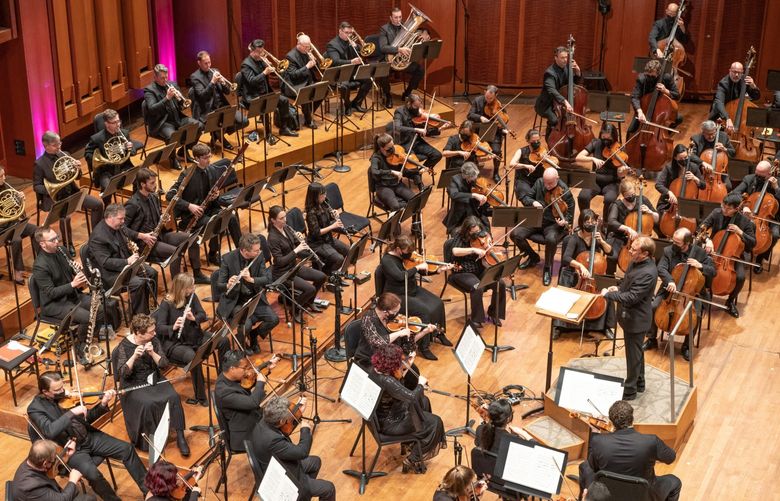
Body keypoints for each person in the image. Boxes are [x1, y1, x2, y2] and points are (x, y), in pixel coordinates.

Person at [27, 371, 147, 500]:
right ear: (45, 391)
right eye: (58, 390)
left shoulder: (66, 398)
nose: (63, 391)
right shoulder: (35, 409)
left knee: (127, 449)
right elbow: (49, 431)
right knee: (94, 475)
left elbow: (86, 418)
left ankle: (149, 491)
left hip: (89, 438)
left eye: (63, 387)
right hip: (71, 450)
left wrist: (103, 404)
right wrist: (71, 412)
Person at [32, 227, 120, 366]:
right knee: (87, 317)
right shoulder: (40, 266)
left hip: (72, 296)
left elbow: (69, 273)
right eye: (53, 240)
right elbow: (51, 293)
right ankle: (81, 348)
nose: (57, 241)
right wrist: (73, 284)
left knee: (101, 308)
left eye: (57, 237)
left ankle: (89, 339)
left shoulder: (62, 251)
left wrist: (77, 270)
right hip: (55, 304)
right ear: (42, 244)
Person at [111, 314, 189, 455]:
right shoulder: (123, 346)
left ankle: (180, 436)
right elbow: (123, 373)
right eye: (151, 331)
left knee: (174, 397)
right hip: (133, 383)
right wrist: (134, 357)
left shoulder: (153, 340)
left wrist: (152, 352)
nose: (154, 333)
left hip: (153, 377)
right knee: (148, 404)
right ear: (138, 333)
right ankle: (150, 442)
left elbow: (164, 364)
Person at [579, 400, 681, 501]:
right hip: (643, 495)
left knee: (585, 466)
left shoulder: (599, 441)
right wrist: (652, 453)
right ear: (632, 419)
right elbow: (671, 458)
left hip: (609, 494)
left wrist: (595, 432)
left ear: (611, 422)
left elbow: (593, 466)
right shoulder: (651, 441)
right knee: (675, 482)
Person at [369, 343, 445, 474]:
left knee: (424, 401)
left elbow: (398, 389)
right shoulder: (387, 381)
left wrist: (407, 367)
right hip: (391, 422)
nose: (401, 363)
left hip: (386, 414)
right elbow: (410, 397)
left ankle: (412, 442)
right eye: (399, 361)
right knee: (436, 422)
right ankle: (413, 458)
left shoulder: (376, 370)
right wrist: (420, 384)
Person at [643, 227, 714, 361]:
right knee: (653, 307)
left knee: (696, 315)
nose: (673, 244)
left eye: (677, 243)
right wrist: (670, 281)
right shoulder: (669, 250)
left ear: (687, 243)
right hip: (670, 291)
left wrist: (701, 266)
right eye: (673, 241)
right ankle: (652, 338)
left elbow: (713, 271)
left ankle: (686, 346)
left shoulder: (700, 253)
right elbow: (661, 268)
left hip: (692, 293)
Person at [125, 168, 208, 283]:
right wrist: (142, 236)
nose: (155, 186)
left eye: (155, 182)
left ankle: (197, 274)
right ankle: (177, 289)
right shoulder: (132, 204)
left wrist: (163, 218)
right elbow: (122, 228)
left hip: (160, 235)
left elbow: (156, 216)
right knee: (176, 253)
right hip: (145, 244)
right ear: (142, 184)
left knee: (193, 238)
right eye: (152, 183)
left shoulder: (153, 196)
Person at [601, 237, 658, 400]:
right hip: (629, 317)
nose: (629, 251)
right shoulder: (635, 262)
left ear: (645, 254)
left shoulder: (648, 273)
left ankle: (630, 389)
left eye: (634, 249)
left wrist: (610, 294)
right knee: (636, 352)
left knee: (632, 355)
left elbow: (632, 297)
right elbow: (628, 284)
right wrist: (617, 288)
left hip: (636, 320)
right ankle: (640, 383)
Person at [166, 143, 241, 267]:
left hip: (210, 208)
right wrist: (189, 206)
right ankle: (212, 254)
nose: (209, 160)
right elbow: (170, 196)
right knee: (217, 222)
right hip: (191, 216)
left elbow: (213, 191)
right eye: (205, 158)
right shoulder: (186, 175)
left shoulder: (211, 170)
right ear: (196, 158)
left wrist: (216, 195)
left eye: (209, 157)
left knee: (230, 217)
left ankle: (241, 251)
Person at [250, 395, 336, 501]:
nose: (290, 420)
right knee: (329, 488)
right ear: (281, 421)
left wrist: (297, 411)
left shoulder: (266, 418)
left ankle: (304, 496)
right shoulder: (273, 440)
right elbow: (302, 452)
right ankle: (302, 491)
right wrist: (305, 431)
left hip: (279, 463)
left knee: (315, 461)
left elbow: (286, 427)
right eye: (289, 419)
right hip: (285, 478)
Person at [380, 235, 452, 359]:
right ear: (398, 249)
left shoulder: (408, 255)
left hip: (412, 289)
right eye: (407, 252)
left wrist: (438, 270)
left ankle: (439, 333)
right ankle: (423, 347)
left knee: (438, 302)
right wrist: (417, 267)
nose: (409, 255)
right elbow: (400, 276)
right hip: (397, 295)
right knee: (424, 311)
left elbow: (420, 268)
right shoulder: (387, 260)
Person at [33, 131, 104, 256]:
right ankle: (68, 244)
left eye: (59, 143)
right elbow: (37, 186)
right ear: (46, 146)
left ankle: (97, 236)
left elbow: (77, 177)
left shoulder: (65, 155)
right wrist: (51, 189)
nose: (59, 146)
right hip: (55, 198)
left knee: (98, 204)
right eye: (55, 145)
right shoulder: (40, 164)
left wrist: (78, 169)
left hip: (72, 193)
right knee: (65, 216)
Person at [354, 292, 435, 389]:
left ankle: (411, 396)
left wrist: (424, 332)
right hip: (370, 359)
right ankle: (402, 397)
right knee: (396, 381)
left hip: (388, 357)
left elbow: (407, 343)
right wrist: (399, 333)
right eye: (395, 312)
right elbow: (377, 342)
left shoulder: (392, 319)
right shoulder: (368, 319)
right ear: (385, 311)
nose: (397, 315)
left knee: (413, 372)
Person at [87, 203, 157, 315]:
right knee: (138, 283)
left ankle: (147, 306)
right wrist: (127, 261)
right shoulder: (98, 237)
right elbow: (105, 262)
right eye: (121, 218)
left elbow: (127, 231)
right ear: (110, 217)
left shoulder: (118, 225)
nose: (123, 221)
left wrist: (142, 236)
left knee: (152, 272)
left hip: (124, 266)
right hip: (108, 274)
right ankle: (139, 316)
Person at [152, 273, 210, 406]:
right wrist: (173, 327)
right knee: (192, 357)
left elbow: (202, 314)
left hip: (193, 335)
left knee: (221, 340)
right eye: (191, 286)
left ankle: (224, 378)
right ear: (182, 289)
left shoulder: (191, 296)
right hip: (174, 343)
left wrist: (193, 318)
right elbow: (159, 328)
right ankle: (200, 397)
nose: (194, 288)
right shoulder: (166, 304)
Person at [510, 167, 575, 286]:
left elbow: (570, 216)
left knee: (551, 239)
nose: (547, 186)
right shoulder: (540, 182)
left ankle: (547, 267)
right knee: (515, 234)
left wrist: (564, 221)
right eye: (546, 182)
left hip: (553, 224)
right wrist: (533, 202)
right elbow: (526, 197)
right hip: (537, 220)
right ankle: (533, 257)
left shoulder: (566, 192)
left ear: (557, 179)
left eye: (550, 183)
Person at [556, 210, 616, 338]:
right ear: (581, 223)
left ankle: (605, 327)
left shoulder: (597, 235)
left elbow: (611, 253)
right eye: (587, 222)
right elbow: (566, 258)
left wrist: (602, 242)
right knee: (564, 284)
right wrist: (580, 265)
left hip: (594, 274)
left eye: (592, 222)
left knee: (606, 291)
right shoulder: (573, 238)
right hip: (575, 274)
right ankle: (560, 325)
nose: (590, 224)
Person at [216, 232, 279, 351]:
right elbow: (219, 285)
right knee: (246, 325)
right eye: (256, 250)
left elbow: (267, 279)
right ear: (245, 251)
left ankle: (253, 335)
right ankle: (242, 346)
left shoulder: (258, 256)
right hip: (236, 301)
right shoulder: (227, 259)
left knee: (273, 319)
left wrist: (250, 279)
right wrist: (228, 284)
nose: (259, 252)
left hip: (254, 298)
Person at [700, 193, 755, 318]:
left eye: (728, 208)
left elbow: (753, 242)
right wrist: (707, 240)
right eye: (723, 206)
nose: (724, 210)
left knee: (740, 277)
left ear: (736, 209)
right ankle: (703, 298)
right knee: (701, 269)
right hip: (714, 250)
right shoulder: (716, 213)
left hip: (733, 255)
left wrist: (740, 232)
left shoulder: (745, 221)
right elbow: (701, 228)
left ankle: (729, 302)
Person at [267, 205, 327, 317]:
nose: (285, 220)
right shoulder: (272, 238)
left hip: (294, 266)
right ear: (273, 220)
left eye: (285, 216)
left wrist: (301, 240)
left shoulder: (286, 228)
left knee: (321, 277)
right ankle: (294, 311)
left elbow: (297, 247)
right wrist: (296, 250)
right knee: (310, 289)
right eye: (281, 218)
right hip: (283, 273)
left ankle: (308, 302)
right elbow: (280, 261)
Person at [448, 216, 507, 328]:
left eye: (478, 231)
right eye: (473, 232)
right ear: (467, 231)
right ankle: (477, 319)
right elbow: (455, 251)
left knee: (500, 283)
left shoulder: (482, 235)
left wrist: (488, 249)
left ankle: (494, 313)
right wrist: (473, 249)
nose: (476, 235)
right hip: (462, 272)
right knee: (477, 287)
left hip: (479, 270)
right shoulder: (459, 235)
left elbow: (485, 261)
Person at [214, 349, 275, 452]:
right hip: (245, 435)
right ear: (232, 368)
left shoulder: (229, 376)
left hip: (250, 417)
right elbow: (253, 403)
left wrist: (266, 368)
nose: (247, 371)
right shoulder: (223, 391)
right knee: (277, 438)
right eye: (244, 368)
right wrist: (260, 383)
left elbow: (247, 384)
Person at [143, 63, 201, 170]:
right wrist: (167, 98)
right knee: (172, 136)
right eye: (162, 78)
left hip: (177, 117)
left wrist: (180, 101)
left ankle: (184, 151)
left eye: (166, 77)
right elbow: (152, 109)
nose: (165, 80)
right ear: (155, 77)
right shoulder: (149, 90)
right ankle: (172, 158)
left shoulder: (172, 84)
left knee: (199, 126)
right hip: (162, 122)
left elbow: (180, 106)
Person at [240, 39, 298, 143]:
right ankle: (268, 134)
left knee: (284, 101)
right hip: (253, 96)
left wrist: (271, 68)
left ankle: (284, 128)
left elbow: (269, 76)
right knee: (265, 107)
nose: (261, 54)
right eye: (258, 52)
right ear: (252, 51)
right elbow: (252, 81)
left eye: (262, 51)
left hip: (266, 92)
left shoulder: (261, 60)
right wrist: (264, 72)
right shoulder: (245, 65)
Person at [189, 50, 248, 149]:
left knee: (244, 121)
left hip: (223, 106)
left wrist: (223, 83)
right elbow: (203, 96)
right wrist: (212, 82)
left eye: (209, 62)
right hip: (208, 110)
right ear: (199, 63)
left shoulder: (215, 71)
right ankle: (220, 137)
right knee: (221, 121)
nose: (208, 65)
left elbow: (227, 92)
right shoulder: (195, 77)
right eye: (205, 63)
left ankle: (217, 136)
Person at [84, 108, 140, 204]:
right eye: (114, 122)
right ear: (106, 124)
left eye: (118, 121)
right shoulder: (97, 138)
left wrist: (130, 147)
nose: (118, 124)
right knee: (106, 187)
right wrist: (98, 160)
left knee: (140, 177)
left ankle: (134, 203)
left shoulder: (124, 133)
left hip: (123, 166)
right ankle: (108, 207)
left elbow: (133, 152)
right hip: (106, 170)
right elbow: (87, 154)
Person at [730, 159, 778, 272]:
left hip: (769, 218)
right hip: (748, 214)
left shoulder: (776, 183)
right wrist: (744, 206)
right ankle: (740, 253)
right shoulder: (749, 178)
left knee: (775, 235)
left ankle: (760, 258)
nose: (757, 178)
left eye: (760, 176)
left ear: (769, 174)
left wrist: (776, 188)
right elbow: (734, 193)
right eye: (756, 174)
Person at [11, 439, 96, 501]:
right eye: (53, 459)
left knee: (78, 493)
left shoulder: (32, 460)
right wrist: (72, 480)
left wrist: (66, 454)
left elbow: (54, 466)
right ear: (45, 463)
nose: (55, 460)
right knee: (89, 499)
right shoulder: (32, 487)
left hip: (45, 494)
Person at [391, 93, 443, 190]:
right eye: (415, 106)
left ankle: (419, 172)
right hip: (405, 143)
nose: (417, 109)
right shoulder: (399, 112)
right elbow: (397, 127)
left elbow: (424, 129)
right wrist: (415, 130)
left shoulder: (419, 113)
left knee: (437, 155)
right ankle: (420, 185)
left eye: (418, 106)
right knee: (413, 160)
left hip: (417, 141)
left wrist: (437, 130)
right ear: (409, 104)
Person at [606, 178, 659, 272]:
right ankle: (610, 278)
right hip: (620, 237)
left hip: (641, 238)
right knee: (612, 257)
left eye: (633, 194)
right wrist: (628, 229)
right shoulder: (617, 205)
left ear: (635, 190)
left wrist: (650, 212)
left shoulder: (643, 200)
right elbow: (611, 222)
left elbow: (657, 218)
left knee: (651, 258)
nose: (631, 197)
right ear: (623, 195)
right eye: (628, 196)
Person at [378, 6, 428, 106]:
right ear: (391, 18)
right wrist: (399, 49)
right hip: (389, 60)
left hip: (403, 61)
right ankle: (388, 96)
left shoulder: (406, 26)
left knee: (420, 70)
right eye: (396, 17)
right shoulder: (384, 29)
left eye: (400, 17)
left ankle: (407, 93)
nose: (398, 20)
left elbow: (419, 33)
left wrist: (424, 35)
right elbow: (383, 47)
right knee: (382, 72)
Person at [575, 123, 628, 215]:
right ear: (600, 135)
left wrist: (622, 172)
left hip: (612, 182)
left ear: (614, 137)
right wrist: (592, 158)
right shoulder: (596, 143)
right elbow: (578, 157)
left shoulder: (619, 149)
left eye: (609, 139)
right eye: (604, 138)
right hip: (594, 180)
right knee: (583, 196)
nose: (606, 141)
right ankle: (584, 219)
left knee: (609, 199)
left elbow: (620, 174)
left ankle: (606, 223)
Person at [0, 166, 38, 284]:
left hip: (14, 222)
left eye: (4, 174)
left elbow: (16, 208)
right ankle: (17, 270)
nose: (4, 178)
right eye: (1, 176)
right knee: (16, 240)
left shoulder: (6, 186)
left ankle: (41, 263)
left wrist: (19, 199)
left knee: (37, 230)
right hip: (2, 229)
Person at [325, 22, 372, 116]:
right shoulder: (332, 44)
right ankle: (347, 105)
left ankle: (356, 103)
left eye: (350, 33)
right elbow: (335, 61)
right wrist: (351, 62)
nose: (349, 35)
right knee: (344, 86)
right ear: (340, 31)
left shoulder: (352, 43)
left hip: (352, 71)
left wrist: (356, 47)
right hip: (340, 74)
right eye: (346, 32)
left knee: (369, 80)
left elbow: (363, 55)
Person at [534, 45, 581, 137]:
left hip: (560, 104)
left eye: (566, 57)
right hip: (546, 105)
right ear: (556, 58)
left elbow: (573, 85)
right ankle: (550, 141)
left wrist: (578, 72)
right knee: (555, 120)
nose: (565, 60)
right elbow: (552, 90)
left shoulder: (567, 69)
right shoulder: (550, 73)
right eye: (562, 58)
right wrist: (565, 101)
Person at [304, 182, 349, 275]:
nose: (324, 196)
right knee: (338, 259)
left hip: (327, 237)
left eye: (325, 193)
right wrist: (333, 226)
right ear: (314, 197)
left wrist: (334, 214)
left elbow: (327, 218)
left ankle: (337, 273)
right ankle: (327, 274)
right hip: (317, 243)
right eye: (322, 195)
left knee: (348, 250)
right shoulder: (311, 213)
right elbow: (316, 233)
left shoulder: (324, 203)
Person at [628, 59, 680, 135]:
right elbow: (634, 97)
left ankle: (664, 134)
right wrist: (639, 111)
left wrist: (665, 91)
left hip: (662, 110)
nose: (649, 77)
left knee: (678, 118)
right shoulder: (642, 79)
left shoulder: (666, 78)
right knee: (631, 130)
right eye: (647, 75)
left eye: (652, 76)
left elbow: (677, 95)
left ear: (658, 73)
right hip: (645, 110)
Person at [467, 85, 508, 181]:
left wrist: (501, 122)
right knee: (472, 148)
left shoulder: (498, 104)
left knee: (497, 151)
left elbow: (505, 119)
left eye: (491, 98)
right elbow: (469, 115)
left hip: (494, 133)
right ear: (485, 92)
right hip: (478, 132)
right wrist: (480, 117)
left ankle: (496, 173)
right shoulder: (477, 101)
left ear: (496, 95)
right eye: (487, 97)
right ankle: (473, 170)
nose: (489, 100)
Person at [654, 143, 706, 217]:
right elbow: (658, 184)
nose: (684, 160)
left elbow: (703, 186)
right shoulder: (669, 168)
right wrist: (669, 192)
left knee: (699, 219)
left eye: (685, 157)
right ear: (675, 158)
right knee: (661, 218)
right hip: (670, 202)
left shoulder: (694, 167)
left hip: (688, 202)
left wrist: (695, 179)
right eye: (681, 159)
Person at [370, 133, 416, 210]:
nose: (392, 150)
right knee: (395, 206)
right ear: (381, 148)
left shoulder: (396, 153)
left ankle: (415, 221)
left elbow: (403, 170)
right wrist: (391, 171)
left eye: (392, 146)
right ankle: (396, 218)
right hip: (383, 187)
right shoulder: (376, 158)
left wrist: (416, 171)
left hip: (397, 184)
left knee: (415, 200)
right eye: (389, 148)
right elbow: (375, 172)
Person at [284, 33, 321, 127]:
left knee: (324, 89)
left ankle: (308, 112)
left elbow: (317, 70)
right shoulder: (290, 57)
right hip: (294, 84)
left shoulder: (307, 52)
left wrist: (315, 62)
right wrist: (307, 66)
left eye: (309, 46)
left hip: (306, 81)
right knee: (306, 93)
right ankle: (308, 120)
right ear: (298, 44)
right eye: (306, 47)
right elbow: (293, 75)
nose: (308, 49)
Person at [709, 61, 761, 129]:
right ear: (729, 71)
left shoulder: (744, 80)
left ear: (742, 72)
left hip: (737, 113)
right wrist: (727, 118)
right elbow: (719, 102)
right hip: (722, 112)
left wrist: (753, 86)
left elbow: (756, 97)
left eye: (739, 73)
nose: (736, 75)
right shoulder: (723, 83)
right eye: (734, 72)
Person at [444, 162, 490, 235]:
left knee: (485, 230)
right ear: (465, 175)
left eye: (475, 176)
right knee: (463, 235)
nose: (475, 179)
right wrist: (473, 195)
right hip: (460, 215)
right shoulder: (454, 180)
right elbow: (454, 195)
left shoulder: (475, 179)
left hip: (475, 212)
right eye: (472, 177)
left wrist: (484, 199)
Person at [690, 120, 735, 191]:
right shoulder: (696, 139)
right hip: (702, 172)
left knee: (728, 187)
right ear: (703, 132)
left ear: (716, 130)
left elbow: (733, 153)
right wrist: (702, 162)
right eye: (708, 134)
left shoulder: (723, 136)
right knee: (695, 186)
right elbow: (691, 155)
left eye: (713, 133)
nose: (711, 136)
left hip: (719, 173)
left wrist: (725, 149)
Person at [509, 128, 549, 207]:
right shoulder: (521, 151)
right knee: (526, 196)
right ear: (528, 141)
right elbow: (511, 164)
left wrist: (547, 160)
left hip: (538, 180)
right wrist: (525, 166)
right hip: (524, 180)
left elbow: (547, 168)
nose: (536, 143)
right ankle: (532, 209)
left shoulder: (543, 151)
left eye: (538, 141)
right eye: (533, 142)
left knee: (545, 196)